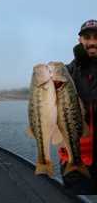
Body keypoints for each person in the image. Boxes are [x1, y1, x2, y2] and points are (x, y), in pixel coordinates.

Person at [58, 19, 97, 194]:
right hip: (75, 160)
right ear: (80, 40)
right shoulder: (67, 72)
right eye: (87, 37)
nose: (93, 42)